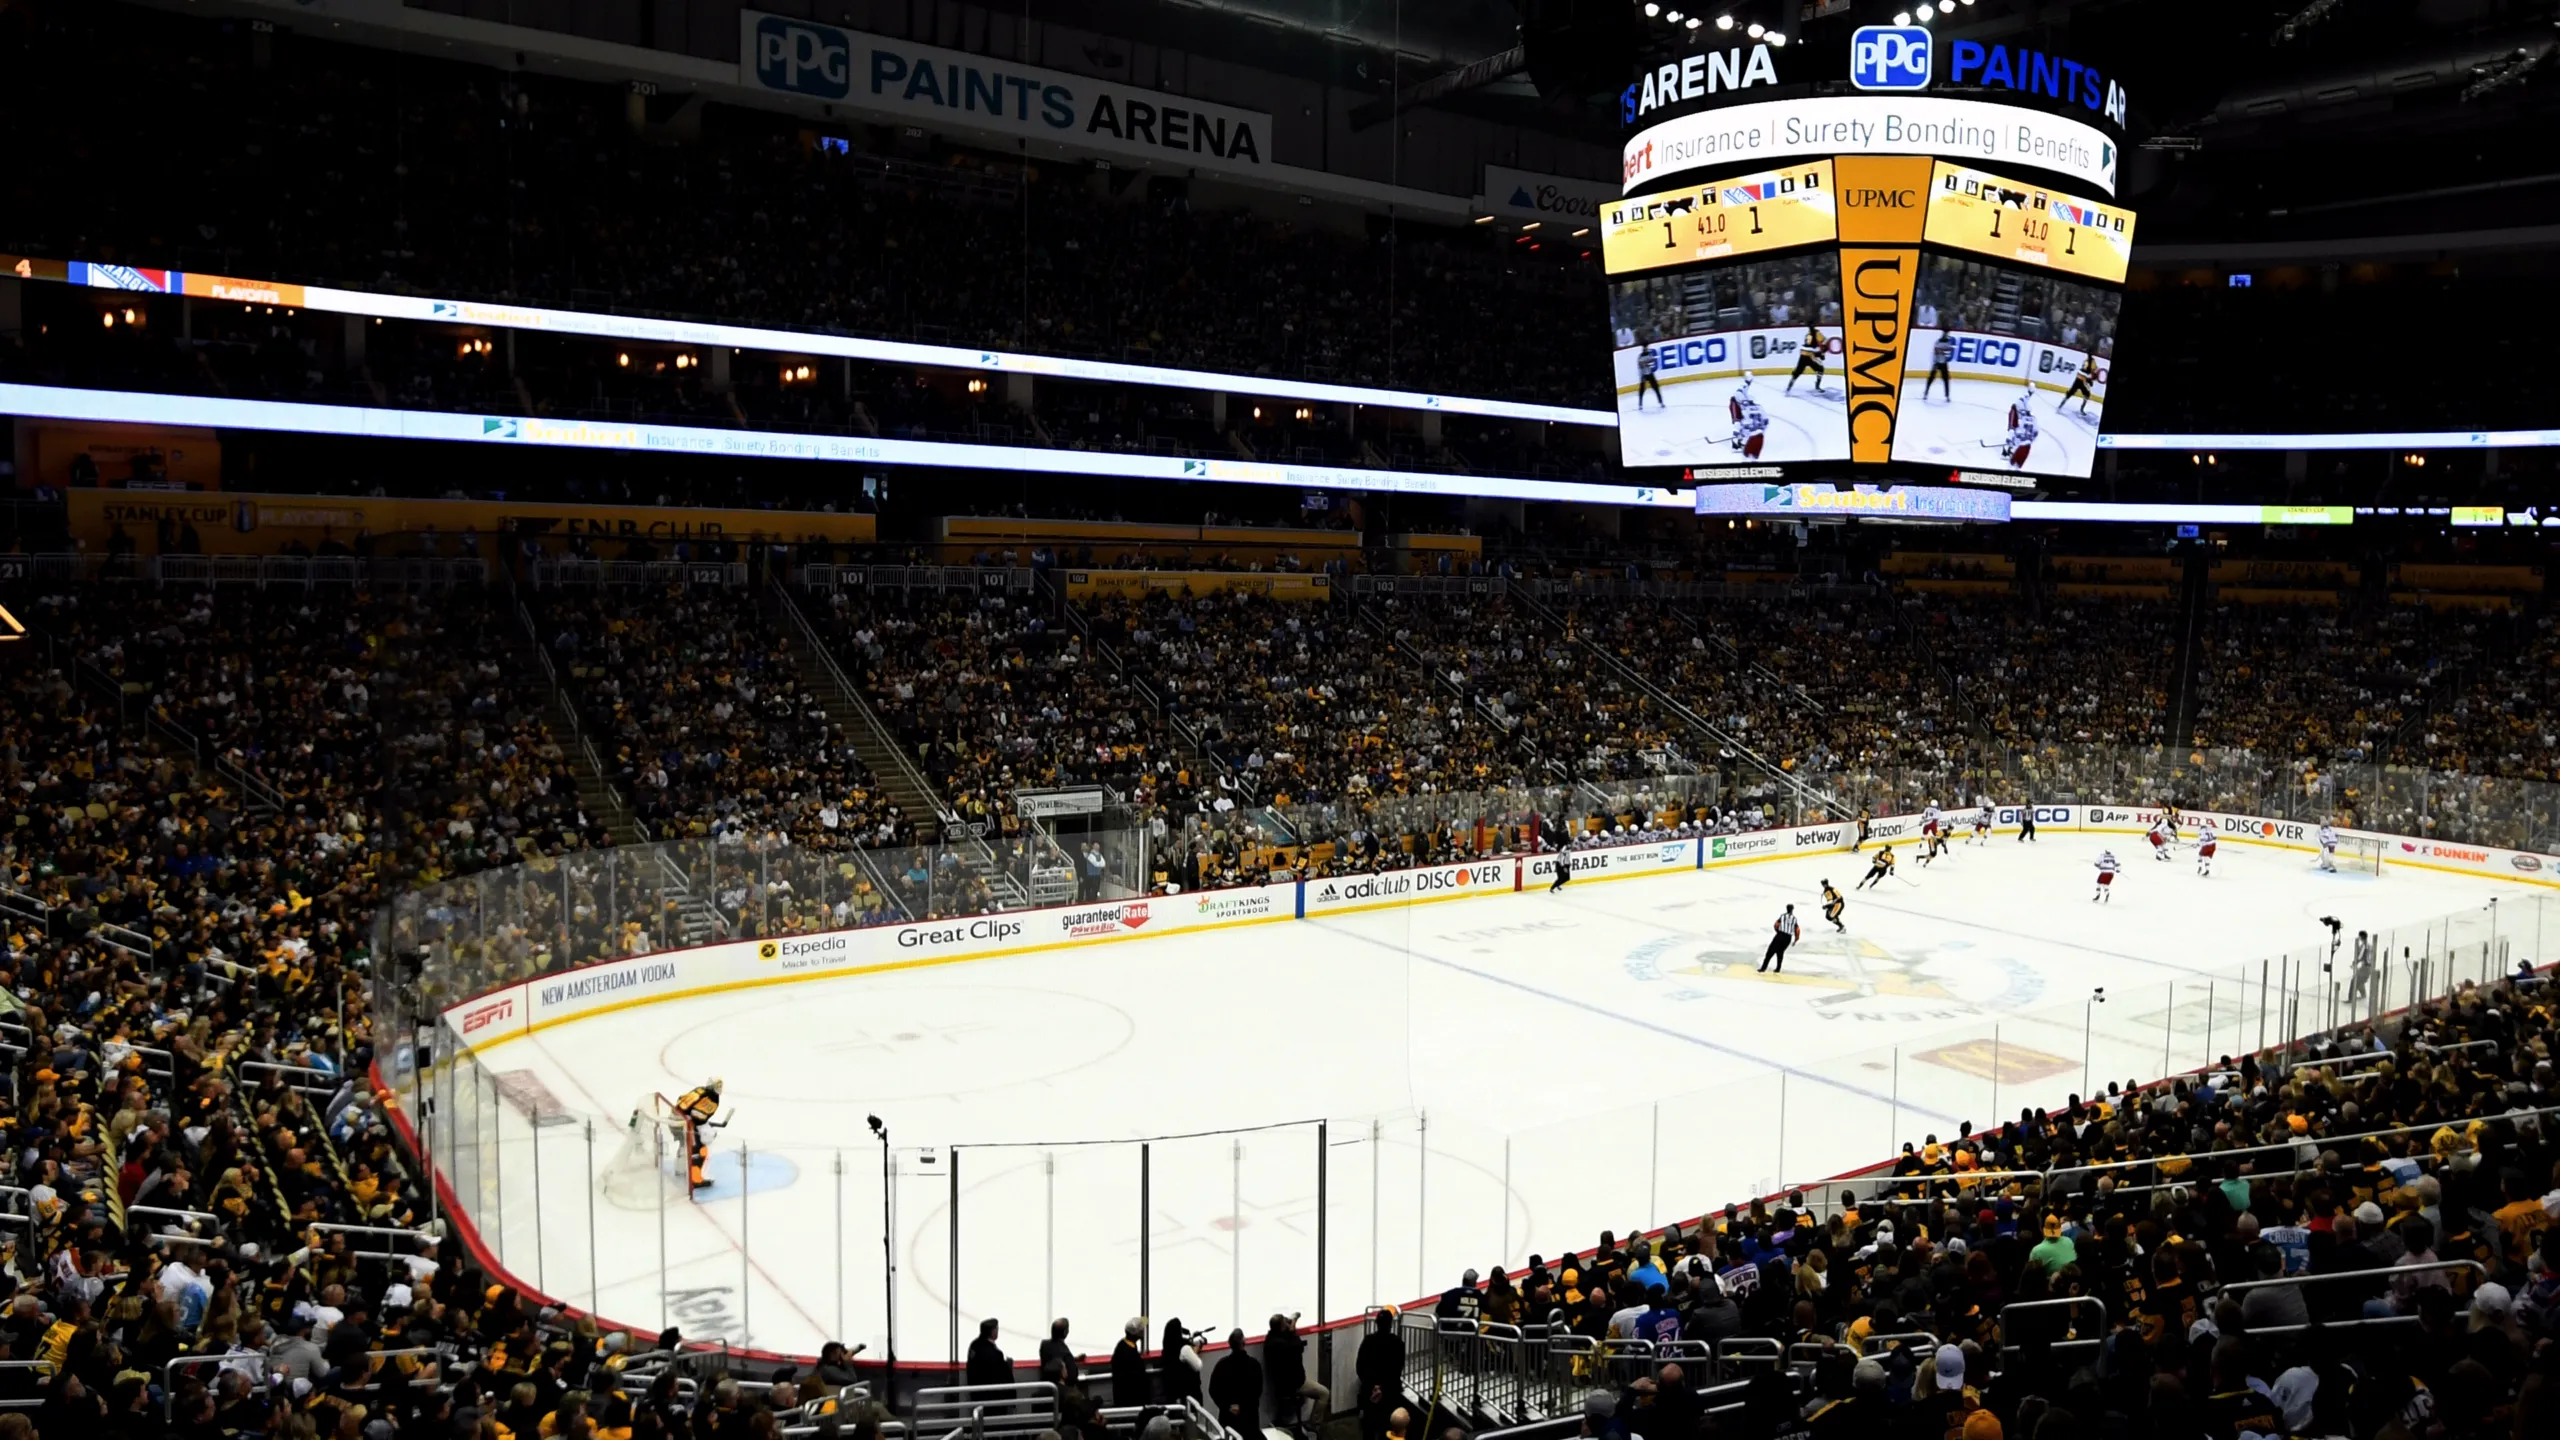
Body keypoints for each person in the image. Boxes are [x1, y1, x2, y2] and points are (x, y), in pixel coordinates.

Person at [1354, 1309, 1405, 1440]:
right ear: (1391, 1324)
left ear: (1377, 1323)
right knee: (1387, 1427)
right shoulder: (1397, 1343)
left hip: (1369, 1391)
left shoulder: (1368, 1341)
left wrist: (1373, 1385)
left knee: (1368, 1428)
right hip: (1390, 1392)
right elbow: (1397, 1370)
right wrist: (1382, 1387)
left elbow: (1360, 1367)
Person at [672, 1078, 724, 1192]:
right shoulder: (712, 1099)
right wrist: (703, 1124)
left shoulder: (700, 1089)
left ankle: (680, 1170)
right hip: (683, 1123)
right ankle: (695, 1180)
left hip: (673, 1117)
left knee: (683, 1144)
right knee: (699, 1150)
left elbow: (681, 1099)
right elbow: (698, 1116)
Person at [1209, 1329, 1264, 1436]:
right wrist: (1242, 1408)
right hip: (1249, 1419)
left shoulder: (1222, 1365)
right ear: (1244, 1342)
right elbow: (1257, 1392)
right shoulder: (1254, 1365)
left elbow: (1213, 1390)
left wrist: (1227, 1407)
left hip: (1227, 1418)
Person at [1159, 1319, 1202, 1402]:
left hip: (1173, 1394)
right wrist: (1195, 1351)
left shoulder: (1167, 1349)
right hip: (1189, 1393)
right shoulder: (1184, 1348)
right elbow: (1198, 1366)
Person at [1111, 1319, 1150, 1406]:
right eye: (1141, 1330)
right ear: (1136, 1334)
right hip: (1129, 1400)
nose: (1143, 1331)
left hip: (1129, 1397)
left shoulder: (1125, 1344)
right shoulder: (1127, 1353)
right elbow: (1134, 1379)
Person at [1784, 320, 1829, 394]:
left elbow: (1810, 346)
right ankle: (1817, 387)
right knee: (1821, 369)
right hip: (1809, 356)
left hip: (1802, 355)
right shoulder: (1817, 333)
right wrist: (1822, 353)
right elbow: (1825, 342)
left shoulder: (1807, 334)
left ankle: (1789, 387)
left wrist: (1819, 353)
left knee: (1797, 372)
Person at [966, 1317, 1011, 1387]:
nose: (997, 1331)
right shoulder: (995, 1354)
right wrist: (1007, 1366)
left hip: (975, 1393)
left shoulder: (974, 1345)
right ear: (992, 1332)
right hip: (991, 1394)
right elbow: (1000, 1377)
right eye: (996, 1329)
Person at [1038, 1318, 1078, 1389]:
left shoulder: (1044, 1345)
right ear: (1066, 1332)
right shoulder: (1065, 1353)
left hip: (1046, 1387)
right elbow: (1072, 1378)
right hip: (1062, 1392)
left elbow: (1054, 1355)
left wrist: (1073, 1359)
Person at [1760, 906, 1800, 974]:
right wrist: (1796, 939)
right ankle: (1778, 969)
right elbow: (1797, 930)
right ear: (1792, 910)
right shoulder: (1794, 919)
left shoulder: (1782, 916)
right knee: (1780, 952)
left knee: (1770, 952)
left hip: (1780, 935)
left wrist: (1777, 931)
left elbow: (1776, 924)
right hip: (1788, 938)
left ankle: (1763, 968)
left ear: (1786, 909)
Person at [2062, 350, 2100, 414]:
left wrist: (2091, 378)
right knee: (2087, 394)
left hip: (2079, 378)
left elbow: (2091, 372)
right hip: (2083, 380)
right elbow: (2093, 372)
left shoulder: (2086, 361)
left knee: (2071, 392)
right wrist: (2091, 379)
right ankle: (2082, 409)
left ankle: (2061, 405)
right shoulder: (2092, 362)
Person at [1923, 331, 1956, 400]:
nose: (1946, 336)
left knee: (1946, 379)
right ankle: (1926, 393)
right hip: (1937, 362)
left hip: (1943, 362)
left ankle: (1947, 395)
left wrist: (1943, 350)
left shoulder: (1947, 342)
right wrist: (1944, 350)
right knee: (1931, 378)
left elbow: (1949, 350)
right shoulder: (1938, 342)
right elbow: (1937, 350)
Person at [2348, 929, 2377, 1005]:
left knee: (2354, 981)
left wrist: (2354, 963)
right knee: (2361, 980)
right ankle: (2363, 995)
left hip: (2365, 967)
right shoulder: (2370, 945)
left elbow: (2360, 956)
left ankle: (2350, 998)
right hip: (2369, 967)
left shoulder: (2364, 946)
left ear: (2361, 937)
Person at [1633, 343, 1666, 410]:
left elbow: (1652, 361)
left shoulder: (1649, 354)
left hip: (1650, 373)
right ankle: (1640, 404)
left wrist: (1647, 363)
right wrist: (1647, 363)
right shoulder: (1640, 356)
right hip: (1643, 375)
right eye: (1645, 348)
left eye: (1646, 348)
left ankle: (1661, 402)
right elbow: (1641, 365)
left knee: (1656, 387)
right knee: (1642, 390)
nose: (1646, 349)